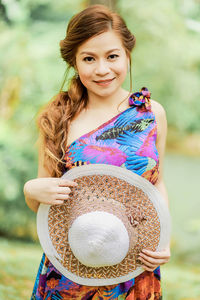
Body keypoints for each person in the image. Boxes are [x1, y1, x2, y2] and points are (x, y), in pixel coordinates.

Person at [24, 4, 170, 300]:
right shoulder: (59, 116)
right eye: (89, 58)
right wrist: (31, 188)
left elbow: (157, 183)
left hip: (135, 264)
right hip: (72, 266)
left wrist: (163, 238)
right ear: (74, 63)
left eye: (112, 56)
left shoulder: (151, 114)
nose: (102, 69)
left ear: (127, 54)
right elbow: (42, 203)